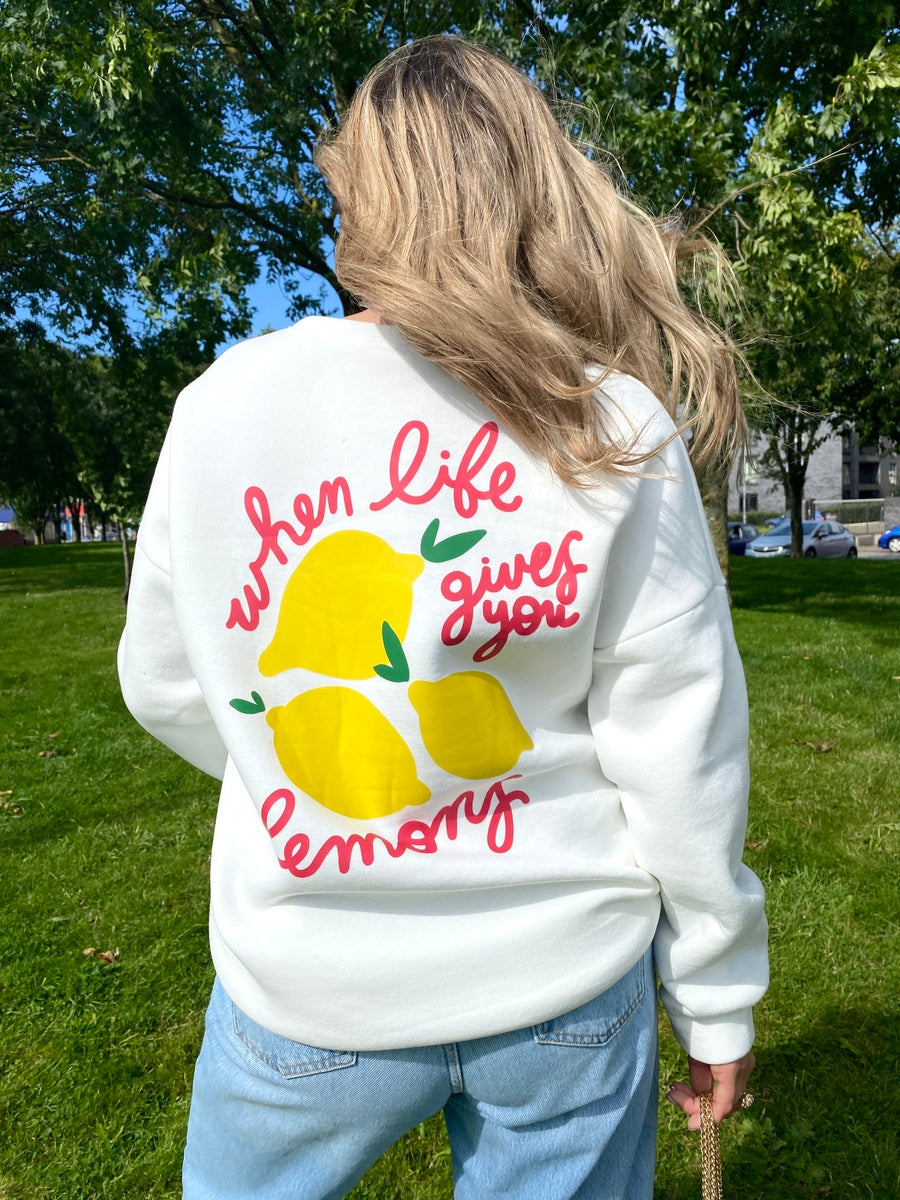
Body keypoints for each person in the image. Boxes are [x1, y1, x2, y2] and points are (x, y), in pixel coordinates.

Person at [118, 34, 767, 1200]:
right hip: (564, 988)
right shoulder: (609, 418)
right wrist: (716, 998)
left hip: (309, 982)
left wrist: (333, 782)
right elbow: (682, 748)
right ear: (534, 191)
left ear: (354, 200)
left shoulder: (225, 408)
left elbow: (167, 683)